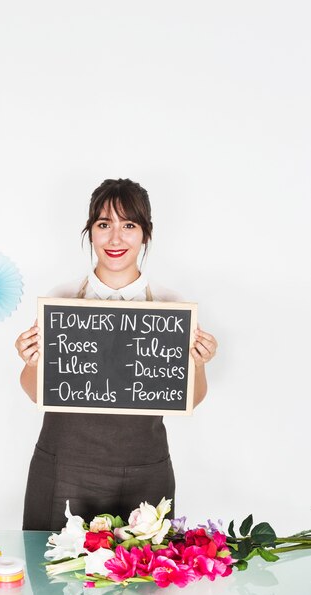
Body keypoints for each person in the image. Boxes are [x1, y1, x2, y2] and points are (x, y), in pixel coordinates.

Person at [15, 178, 217, 531]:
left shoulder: (172, 307)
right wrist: (31, 361)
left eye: (129, 225)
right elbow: (36, 392)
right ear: (90, 232)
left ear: (146, 235)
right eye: (104, 224)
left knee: (140, 583)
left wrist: (198, 365)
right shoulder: (61, 300)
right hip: (64, 467)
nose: (115, 238)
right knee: (50, 580)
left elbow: (191, 399)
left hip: (143, 473)